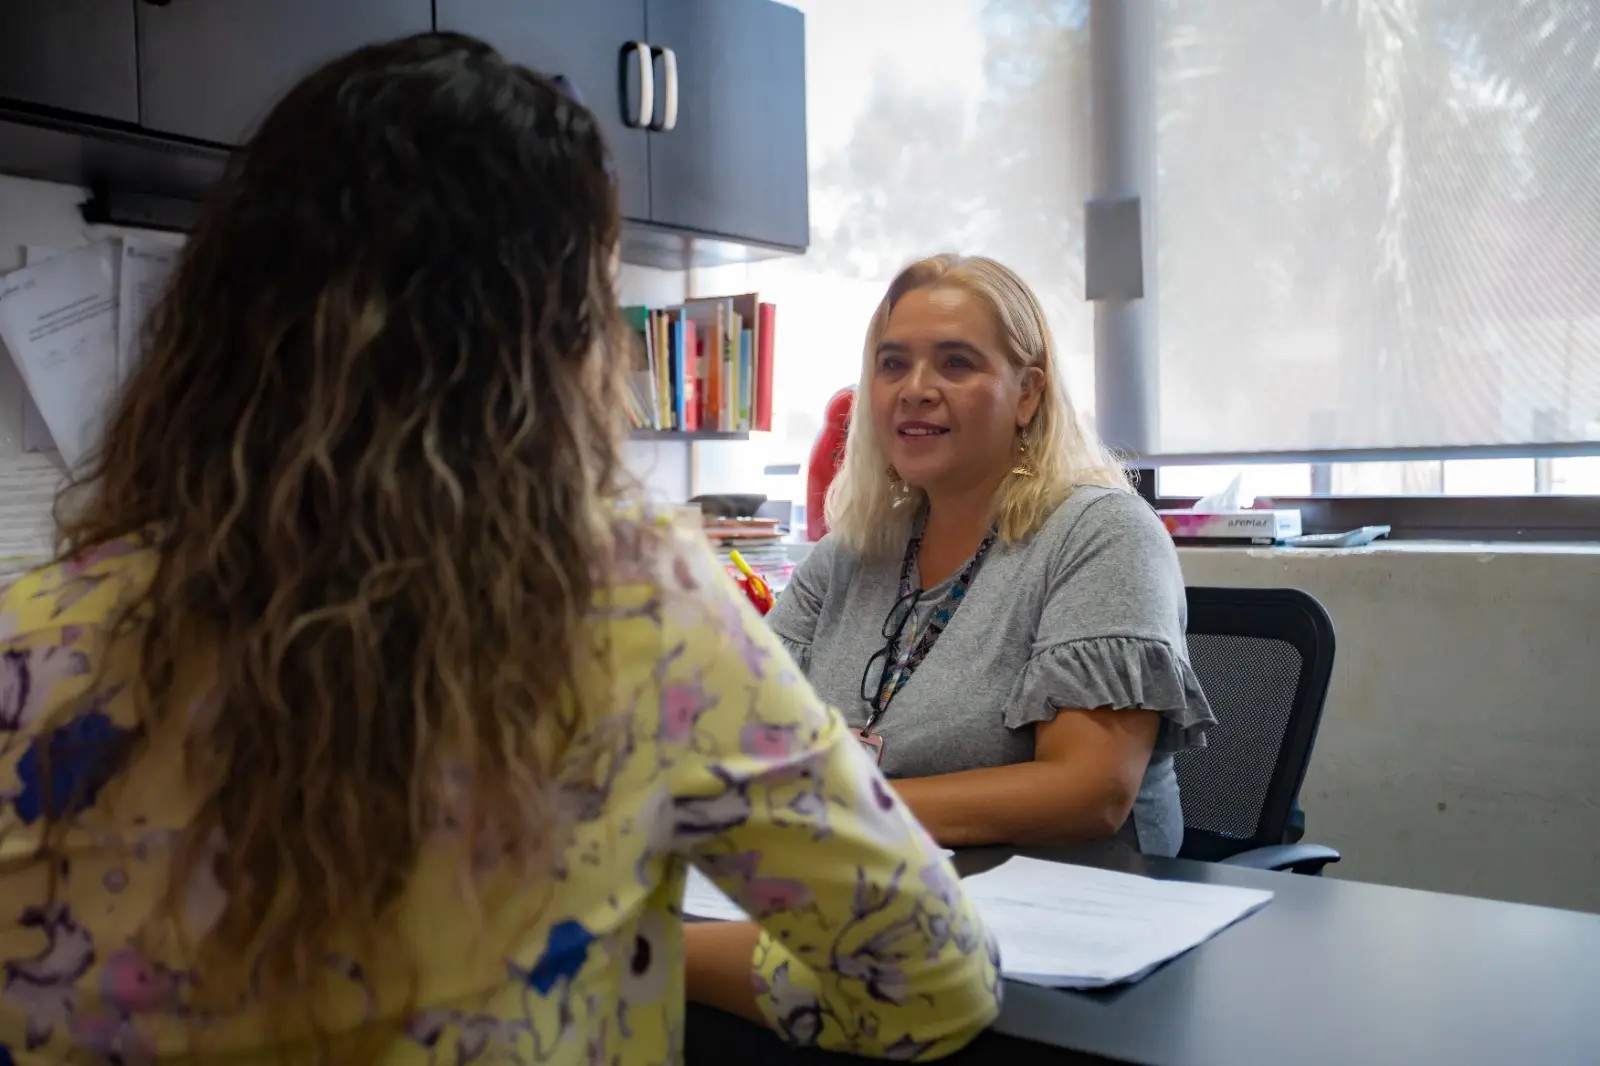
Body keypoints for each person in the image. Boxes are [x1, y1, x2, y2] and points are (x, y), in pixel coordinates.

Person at [0, 36, 999, 1063]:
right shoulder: (633, 604)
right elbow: (932, 979)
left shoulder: (29, 640)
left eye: (954, 363)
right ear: (560, 339)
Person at [769, 254, 1214, 857]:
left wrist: (832, 810)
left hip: (1070, 904)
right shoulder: (852, 553)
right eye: (893, 364)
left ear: (1026, 394)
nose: (916, 390)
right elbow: (749, 733)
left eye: (956, 363)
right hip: (870, 887)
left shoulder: (1101, 533)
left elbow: (1088, 791)